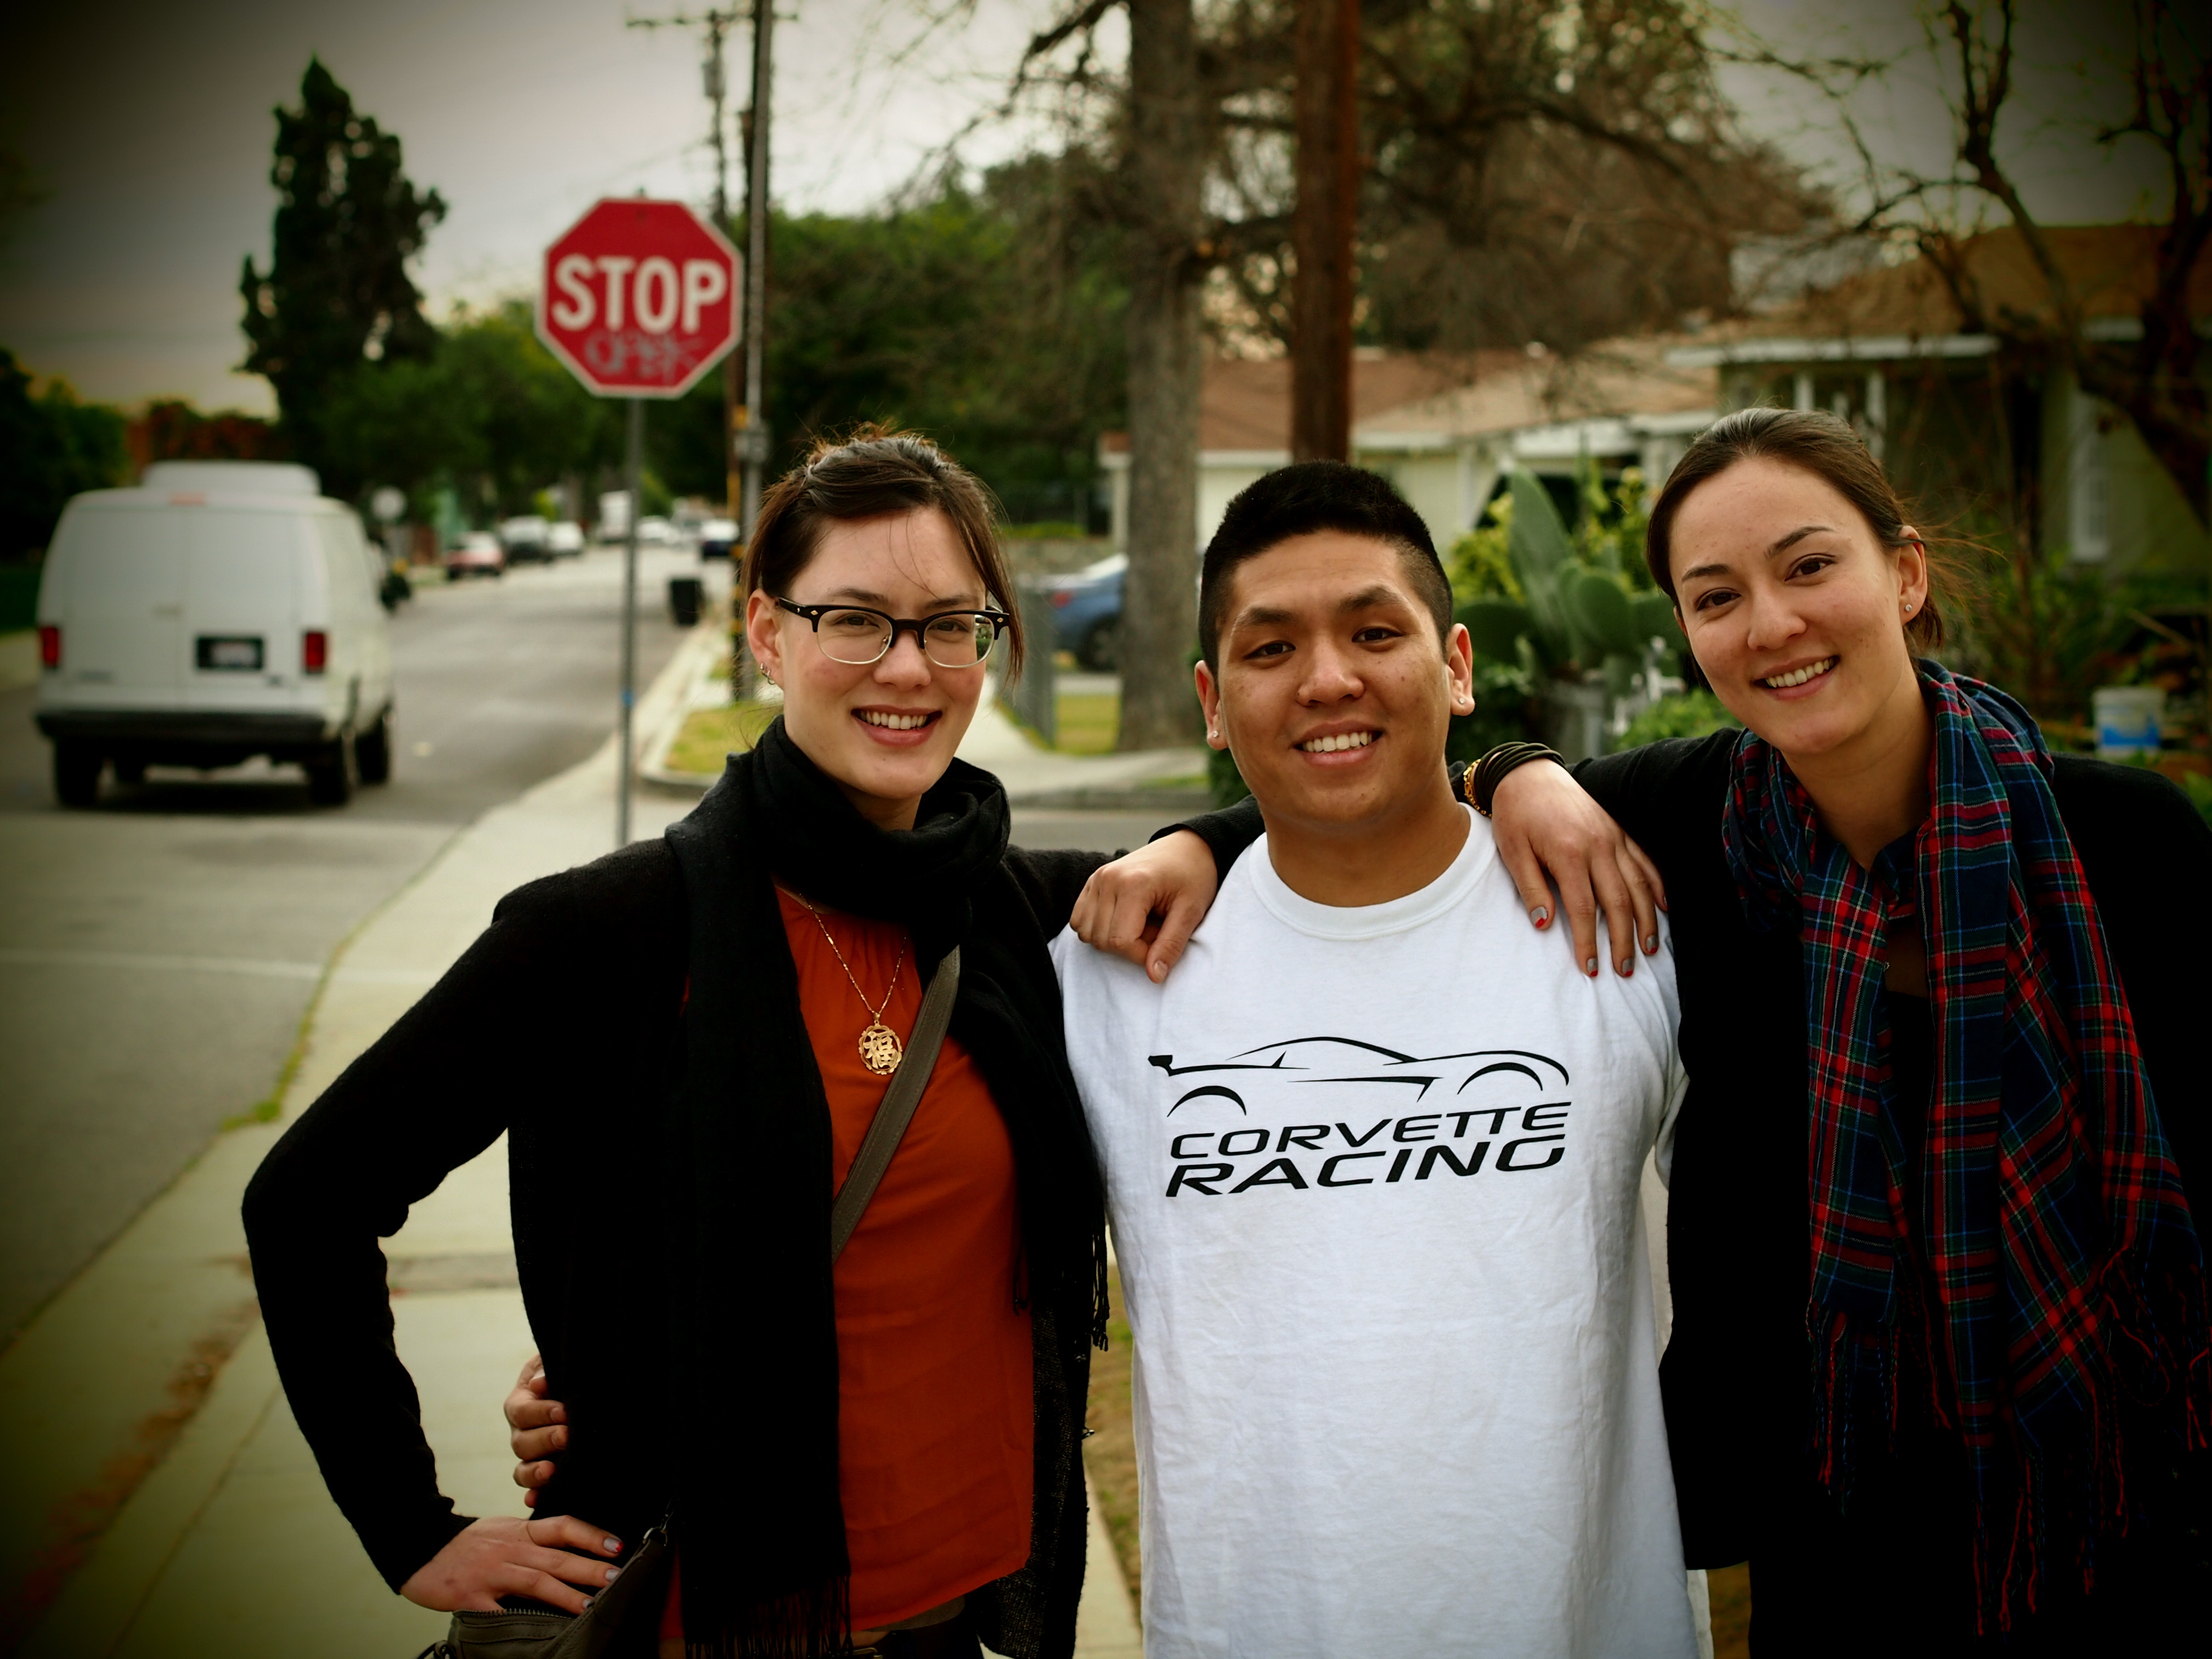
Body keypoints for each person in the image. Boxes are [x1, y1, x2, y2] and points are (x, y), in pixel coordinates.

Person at [526, 462, 1697, 1657]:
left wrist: (1517, 767)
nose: (1328, 678)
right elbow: (897, 1209)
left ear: (1456, 665)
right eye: (1271, 648)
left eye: (1374, 632)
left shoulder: (1626, 920)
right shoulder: (1105, 968)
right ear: (1211, 701)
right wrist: (615, 1350)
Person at [244, 430, 1232, 1659]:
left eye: (948, 625)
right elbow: (308, 1201)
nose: (908, 667)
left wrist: (1203, 839)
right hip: (697, 1626)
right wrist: (410, 1526)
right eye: (854, 620)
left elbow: (1320, 831)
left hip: (953, 1618)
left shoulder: (1012, 912)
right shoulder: (610, 931)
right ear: (767, 634)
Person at [1475, 406, 2210, 1652]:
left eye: (1809, 565)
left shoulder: (2127, 841)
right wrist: (1516, 771)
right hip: (1836, 1530)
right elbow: (1374, 820)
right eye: (1717, 597)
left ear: (1905, 575)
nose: (1770, 624)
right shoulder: (1692, 822)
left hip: (2117, 1502)